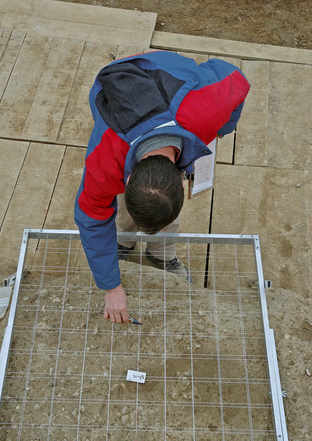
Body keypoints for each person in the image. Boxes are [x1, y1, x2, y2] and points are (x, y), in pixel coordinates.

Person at [75, 50, 250, 324]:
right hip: (118, 86)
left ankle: (160, 254)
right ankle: (125, 241)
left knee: (158, 206)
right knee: (127, 210)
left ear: (180, 177)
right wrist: (111, 286)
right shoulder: (105, 158)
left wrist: (222, 127)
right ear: (127, 179)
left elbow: (236, 77)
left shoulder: (208, 107)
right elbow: (92, 218)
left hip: (174, 78)